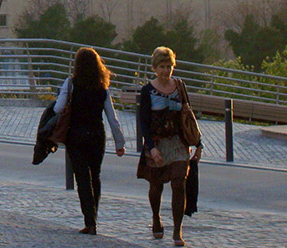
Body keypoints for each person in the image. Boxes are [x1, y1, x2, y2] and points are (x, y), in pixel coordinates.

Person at [54, 46, 126, 235]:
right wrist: (120, 143)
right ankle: (94, 215)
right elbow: (112, 118)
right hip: (96, 135)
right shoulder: (102, 88)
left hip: (76, 135)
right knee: (95, 176)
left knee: (83, 179)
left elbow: (58, 108)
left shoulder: (71, 84)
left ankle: (90, 221)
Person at [137, 46, 202, 247]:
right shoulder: (148, 91)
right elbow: (144, 122)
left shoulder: (179, 86)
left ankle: (177, 230)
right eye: (162, 67)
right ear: (155, 68)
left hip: (178, 142)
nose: (166, 71)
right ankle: (156, 217)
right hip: (157, 142)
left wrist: (198, 143)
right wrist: (151, 147)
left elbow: (188, 116)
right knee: (156, 186)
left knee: (178, 183)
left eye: (169, 66)